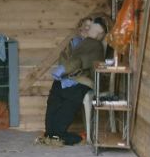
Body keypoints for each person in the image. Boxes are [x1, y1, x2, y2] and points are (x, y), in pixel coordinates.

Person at [39, 16, 107, 146]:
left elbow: (78, 62)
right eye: (85, 27)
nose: (86, 29)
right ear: (80, 29)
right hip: (68, 77)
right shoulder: (74, 43)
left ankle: (58, 134)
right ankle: (50, 132)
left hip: (82, 79)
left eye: (90, 27)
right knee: (55, 93)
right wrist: (65, 70)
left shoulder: (93, 45)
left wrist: (64, 70)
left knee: (70, 96)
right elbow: (64, 57)